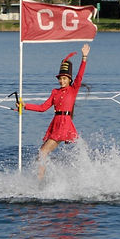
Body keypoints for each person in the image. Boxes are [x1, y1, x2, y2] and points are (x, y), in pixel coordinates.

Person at [21, 43, 90, 179]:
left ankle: (39, 180)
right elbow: (42, 108)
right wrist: (25, 106)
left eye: (64, 78)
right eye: (60, 78)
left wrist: (84, 57)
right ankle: (43, 175)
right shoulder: (55, 92)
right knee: (41, 153)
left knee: (43, 151)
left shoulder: (73, 89)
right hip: (55, 123)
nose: (62, 81)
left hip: (64, 124)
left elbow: (80, 76)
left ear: (69, 79)